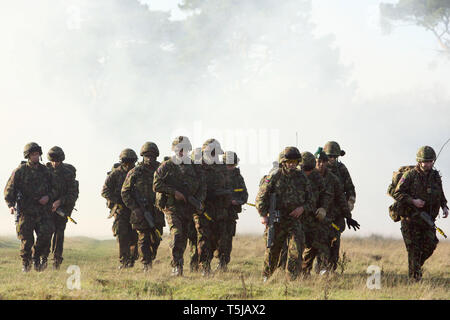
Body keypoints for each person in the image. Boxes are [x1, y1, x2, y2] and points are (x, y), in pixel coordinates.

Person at [255, 147, 314, 281]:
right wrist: (263, 215)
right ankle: (266, 277)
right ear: (284, 162)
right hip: (276, 219)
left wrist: (302, 208)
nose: (292, 164)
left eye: (295, 161)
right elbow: (260, 197)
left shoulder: (302, 178)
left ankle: (291, 280)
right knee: (273, 251)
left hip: (294, 220)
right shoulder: (274, 176)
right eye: (289, 161)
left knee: (296, 250)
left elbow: (311, 200)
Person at [393, 146, 449, 281]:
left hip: (428, 220)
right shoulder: (410, 175)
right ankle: (414, 280)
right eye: (425, 161)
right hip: (410, 219)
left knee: (431, 244)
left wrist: (444, 206)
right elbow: (397, 193)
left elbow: (440, 193)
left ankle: (416, 267)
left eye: (430, 161)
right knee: (413, 249)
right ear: (419, 161)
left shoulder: (435, 176)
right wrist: (413, 201)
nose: (428, 164)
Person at [153, 136, 206, 276]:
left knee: (184, 238)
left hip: (188, 208)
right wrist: (174, 192)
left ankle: (182, 265)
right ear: (174, 150)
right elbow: (156, 184)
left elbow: (202, 186)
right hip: (172, 207)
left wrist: (198, 201)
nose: (182, 152)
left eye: (184, 149)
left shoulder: (194, 167)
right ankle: (176, 267)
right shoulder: (167, 166)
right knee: (176, 235)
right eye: (179, 149)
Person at [4, 142, 56, 272]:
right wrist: (11, 205)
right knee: (26, 240)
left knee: (45, 236)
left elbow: (55, 189)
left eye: (37, 154)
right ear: (28, 156)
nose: (36, 157)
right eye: (33, 155)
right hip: (26, 211)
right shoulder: (20, 171)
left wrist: (48, 197)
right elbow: (9, 189)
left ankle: (36, 258)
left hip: (43, 211)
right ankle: (26, 264)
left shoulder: (46, 171)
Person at [121, 142, 164, 272]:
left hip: (157, 210)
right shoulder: (135, 172)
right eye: (146, 155)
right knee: (144, 238)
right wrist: (135, 208)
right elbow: (125, 191)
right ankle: (146, 264)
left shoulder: (162, 170)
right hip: (140, 211)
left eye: (152, 155)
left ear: (156, 156)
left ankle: (150, 256)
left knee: (156, 238)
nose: (149, 158)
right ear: (142, 156)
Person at [101, 148, 139, 269]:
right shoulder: (116, 174)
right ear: (122, 161)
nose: (129, 165)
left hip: (134, 209)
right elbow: (105, 191)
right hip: (121, 209)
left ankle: (132, 260)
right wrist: (118, 201)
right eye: (126, 162)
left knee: (134, 236)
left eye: (131, 162)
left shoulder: (137, 173)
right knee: (122, 235)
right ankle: (124, 261)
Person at [46, 146, 79, 270]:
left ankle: (56, 261)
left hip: (62, 209)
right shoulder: (44, 171)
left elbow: (73, 194)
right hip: (46, 208)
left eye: (57, 161)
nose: (55, 163)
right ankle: (42, 259)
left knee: (59, 234)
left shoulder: (68, 173)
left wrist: (59, 202)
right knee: (45, 233)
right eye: (53, 161)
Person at [215, 151, 248, 272]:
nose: (230, 167)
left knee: (227, 239)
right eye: (228, 165)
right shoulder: (216, 175)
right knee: (214, 239)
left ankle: (223, 263)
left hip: (230, 214)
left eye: (232, 165)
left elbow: (244, 195)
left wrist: (237, 201)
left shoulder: (238, 177)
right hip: (215, 214)